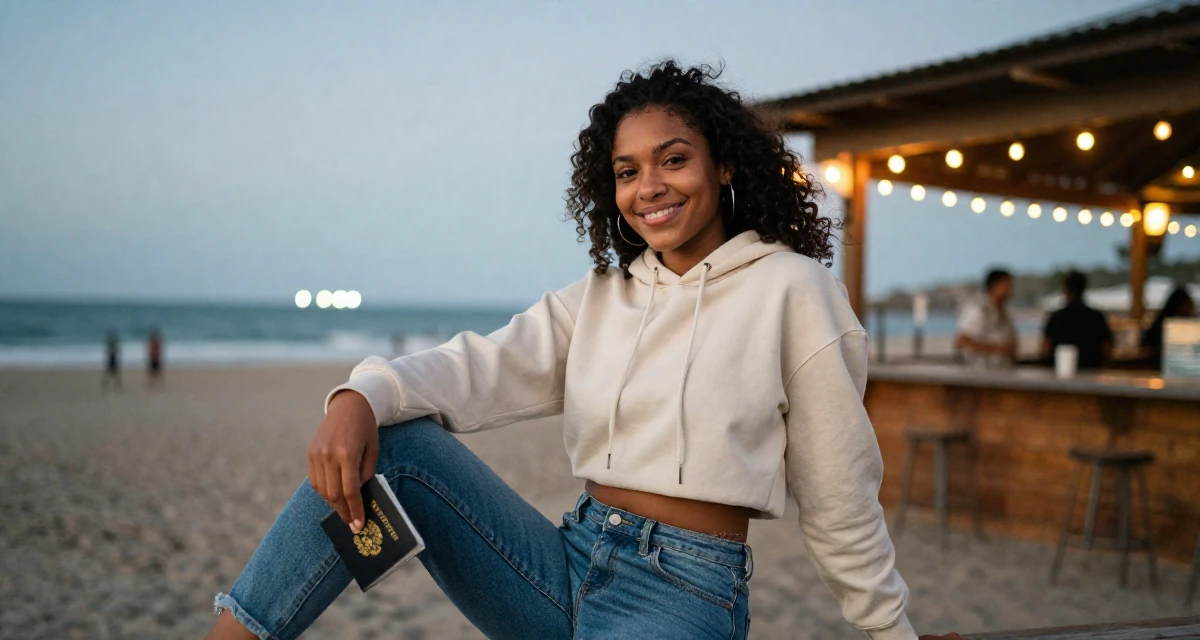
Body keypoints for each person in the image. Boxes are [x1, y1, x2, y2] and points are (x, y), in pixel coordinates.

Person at [208, 62, 958, 640]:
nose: (649, 188)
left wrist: (892, 632)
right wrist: (359, 395)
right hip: (564, 563)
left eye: (673, 160)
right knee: (394, 448)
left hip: (683, 592)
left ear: (724, 165)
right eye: (628, 171)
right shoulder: (602, 296)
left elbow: (839, 493)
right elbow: (474, 368)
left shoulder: (793, 290)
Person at [1039, 270, 1113, 370]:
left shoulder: (1056, 317)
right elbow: (1107, 348)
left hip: (1060, 372)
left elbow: (1045, 349)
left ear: (1065, 290)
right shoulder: (1096, 317)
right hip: (1092, 371)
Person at [955, 268, 1017, 369]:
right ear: (995, 286)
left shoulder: (1005, 314)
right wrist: (996, 349)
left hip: (1003, 371)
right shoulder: (978, 310)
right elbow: (963, 341)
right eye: (1007, 285)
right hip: (980, 372)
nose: (1010, 291)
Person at [1140, 286, 1196, 368]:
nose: (1190, 309)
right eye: (1187, 305)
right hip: (1161, 366)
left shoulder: (1191, 327)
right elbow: (1148, 349)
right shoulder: (1164, 326)